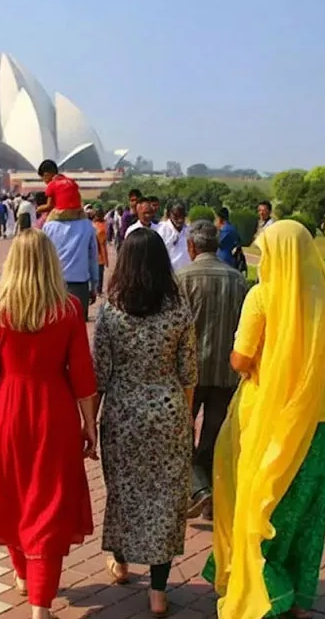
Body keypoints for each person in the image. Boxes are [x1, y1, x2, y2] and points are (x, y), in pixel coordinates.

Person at [202, 220, 325, 619]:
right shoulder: (324, 297)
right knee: (305, 511)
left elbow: (241, 359)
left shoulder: (262, 297)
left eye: (266, 250)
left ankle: (266, 589)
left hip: (267, 417)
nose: (262, 258)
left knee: (260, 505)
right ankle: (299, 598)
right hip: (317, 420)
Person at [0, 230, 99, 619]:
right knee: (49, 503)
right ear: (51, 263)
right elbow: (82, 376)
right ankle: (40, 604)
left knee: (13, 496)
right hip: (54, 412)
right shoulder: (68, 309)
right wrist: (89, 424)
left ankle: (24, 576)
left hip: (7, 412)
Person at [94, 228, 197, 618]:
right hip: (168, 409)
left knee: (122, 489)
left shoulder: (111, 310)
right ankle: (157, 590)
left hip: (123, 413)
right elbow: (189, 372)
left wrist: (90, 423)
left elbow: (99, 374)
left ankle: (119, 562)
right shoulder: (178, 309)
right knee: (166, 499)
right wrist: (187, 419)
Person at [176, 220, 247, 521]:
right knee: (215, 435)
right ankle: (210, 493)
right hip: (226, 370)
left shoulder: (182, 278)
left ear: (191, 246)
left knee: (180, 433)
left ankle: (198, 488)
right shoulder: (237, 280)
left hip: (189, 372)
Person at [42, 197, 100, 321]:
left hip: (53, 285)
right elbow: (92, 258)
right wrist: (94, 285)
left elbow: (43, 258)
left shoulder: (48, 226)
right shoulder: (87, 226)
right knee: (77, 329)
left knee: (53, 325)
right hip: (79, 286)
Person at [156, 203, 191, 271]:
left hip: (186, 273)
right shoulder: (161, 230)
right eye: (176, 215)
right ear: (169, 215)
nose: (180, 219)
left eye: (182, 215)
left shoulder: (189, 230)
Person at [91, 206, 109, 295]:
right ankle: (98, 290)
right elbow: (102, 245)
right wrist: (106, 259)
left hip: (91, 255)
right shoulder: (102, 227)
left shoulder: (92, 225)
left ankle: (94, 289)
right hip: (99, 256)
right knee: (99, 274)